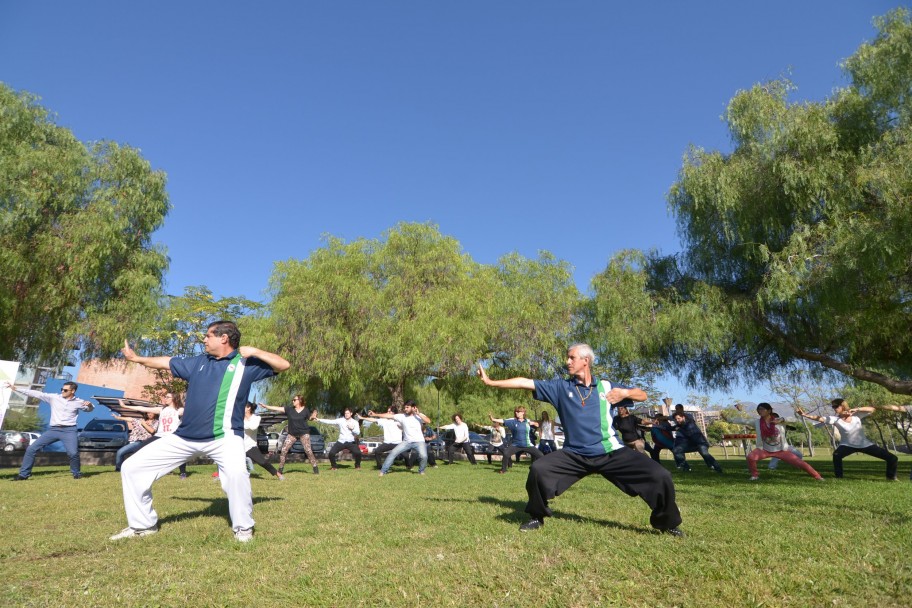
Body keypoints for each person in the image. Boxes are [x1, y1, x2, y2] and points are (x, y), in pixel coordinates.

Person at [476, 343, 683, 536]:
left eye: (571, 357)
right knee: (539, 470)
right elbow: (524, 382)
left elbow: (642, 395)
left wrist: (624, 393)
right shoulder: (560, 388)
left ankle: (667, 524)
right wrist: (491, 382)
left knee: (660, 475)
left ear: (586, 360)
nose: (567, 361)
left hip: (610, 451)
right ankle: (536, 516)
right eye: (567, 358)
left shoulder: (606, 386)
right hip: (574, 454)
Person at [111, 320, 290, 542]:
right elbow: (167, 362)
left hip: (224, 437)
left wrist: (254, 351)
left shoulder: (246, 363)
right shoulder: (199, 362)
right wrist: (137, 359)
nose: (204, 339)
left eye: (208, 336)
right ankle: (143, 526)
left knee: (236, 475)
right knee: (132, 467)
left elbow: (283, 365)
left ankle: (243, 529)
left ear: (223, 338)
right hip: (184, 437)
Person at [4, 380, 94, 480]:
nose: (62, 391)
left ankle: (76, 473)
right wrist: (16, 388)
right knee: (31, 449)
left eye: (65, 390)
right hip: (53, 430)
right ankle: (23, 475)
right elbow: (36, 394)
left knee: (73, 453)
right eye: (62, 389)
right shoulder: (54, 398)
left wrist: (89, 405)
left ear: (72, 391)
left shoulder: (79, 402)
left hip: (69, 430)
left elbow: (89, 409)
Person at [797, 398, 898, 480]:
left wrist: (857, 409)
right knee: (836, 455)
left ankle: (891, 477)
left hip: (865, 444)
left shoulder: (856, 416)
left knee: (892, 458)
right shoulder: (835, 419)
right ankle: (839, 477)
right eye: (833, 406)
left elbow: (872, 409)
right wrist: (805, 415)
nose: (834, 408)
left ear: (843, 406)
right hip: (847, 445)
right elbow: (820, 418)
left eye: (835, 406)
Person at [725, 403, 823, 481]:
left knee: (800, 463)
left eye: (762, 409)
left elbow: (794, 420)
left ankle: (817, 476)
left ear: (769, 411)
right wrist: (728, 419)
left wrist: (782, 419)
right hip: (764, 449)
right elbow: (742, 420)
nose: (760, 411)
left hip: (781, 450)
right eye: (759, 409)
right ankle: (755, 475)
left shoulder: (779, 421)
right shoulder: (757, 422)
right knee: (750, 457)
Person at [118, 392, 188, 479]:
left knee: (179, 454)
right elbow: (143, 408)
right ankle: (139, 470)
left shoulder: (179, 410)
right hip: (159, 435)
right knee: (140, 449)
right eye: (165, 396)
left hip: (172, 436)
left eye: (167, 397)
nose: (165, 398)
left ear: (174, 398)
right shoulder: (162, 409)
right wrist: (126, 406)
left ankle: (183, 473)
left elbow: (191, 411)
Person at [258, 395, 319, 475]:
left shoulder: (305, 410)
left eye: (294, 400)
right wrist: (266, 406)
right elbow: (277, 408)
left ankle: (315, 468)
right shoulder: (289, 409)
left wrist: (314, 415)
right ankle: (280, 469)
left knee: (308, 450)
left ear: (299, 401)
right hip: (292, 434)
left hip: (304, 433)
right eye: (293, 400)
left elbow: (310, 418)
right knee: (283, 450)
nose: (293, 401)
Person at [372, 400, 431, 476]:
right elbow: (388, 416)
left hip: (419, 441)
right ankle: (383, 471)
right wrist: (375, 414)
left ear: (414, 407)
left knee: (424, 456)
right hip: (406, 442)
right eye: (405, 407)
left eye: (407, 407)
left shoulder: (419, 416)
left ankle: (421, 471)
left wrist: (418, 413)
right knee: (393, 453)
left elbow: (428, 421)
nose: (405, 409)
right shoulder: (402, 416)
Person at [490, 406, 544, 474]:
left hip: (527, 444)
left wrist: (537, 424)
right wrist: (493, 419)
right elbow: (503, 420)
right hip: (516, 444)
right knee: (506, 454)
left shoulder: (527, 421)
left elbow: (536, 423)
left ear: (523, 413)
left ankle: (538, 469)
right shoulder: (513, 421)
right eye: (516, 411)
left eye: (518, 411)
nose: (516, 413)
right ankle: (503, 470)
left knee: (540, 455)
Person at [242, 402, 282, 480]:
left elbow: (252, 427)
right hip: (239, 446)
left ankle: (278, 474)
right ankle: (220, 476)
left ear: (248, 408)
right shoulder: (239, 418)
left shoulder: (256, 418)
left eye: (242, 407)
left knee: (262, 462)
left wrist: (242, 422)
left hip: (250, 446)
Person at [360, 405, 403, 469]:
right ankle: (379, 467)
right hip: (387, 443)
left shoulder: (398, 421)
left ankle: (409, 466)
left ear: (394, 413)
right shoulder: (384, 421)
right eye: (387, 411)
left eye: (389, 411)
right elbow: (373, 420)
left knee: (406, 455)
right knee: (377, 451)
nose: (387, 413)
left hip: (398, 443)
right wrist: (363, 418)